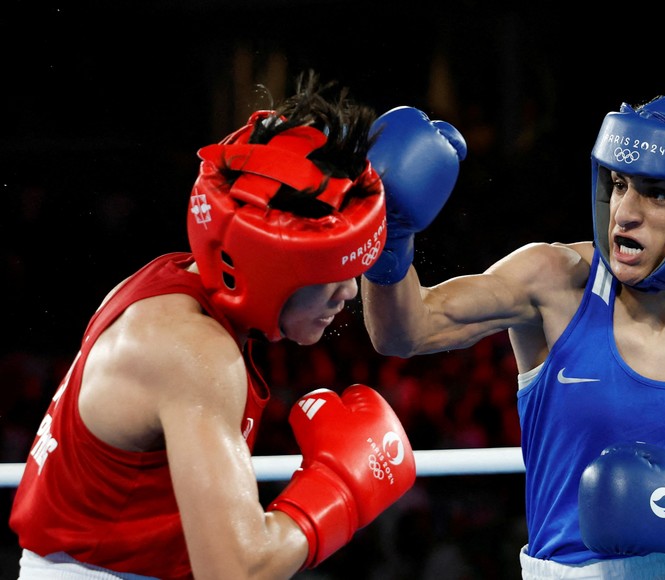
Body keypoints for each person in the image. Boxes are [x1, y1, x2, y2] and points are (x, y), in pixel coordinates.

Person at [361, 94, 665, 579]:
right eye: (620, 184)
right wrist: (387, 235)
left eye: (657, 193)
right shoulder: (556, 282)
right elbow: (405, 332)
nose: (624, 212)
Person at [7, 71, 444, 579]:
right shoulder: (191, 352)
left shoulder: (173, 287)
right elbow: (238, 570)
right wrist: (339, 491)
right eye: (332, 274)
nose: (348, 294)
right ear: (268, 271)